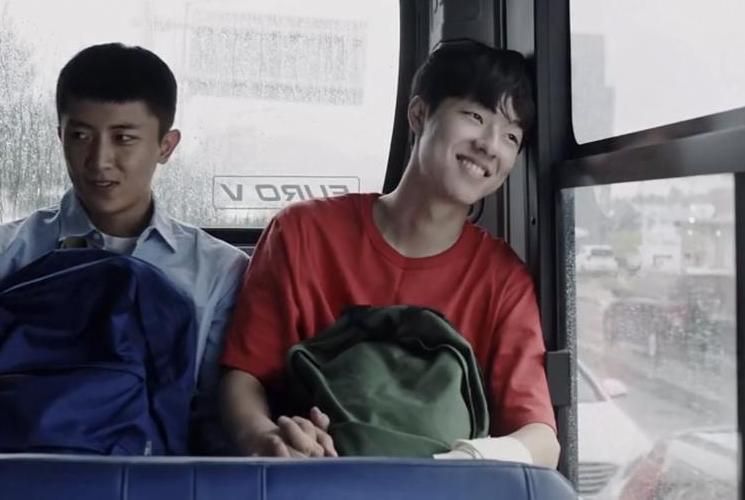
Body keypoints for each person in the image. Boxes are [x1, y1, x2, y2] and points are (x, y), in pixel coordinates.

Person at [218, 40, 560, 467]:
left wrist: (455, 467)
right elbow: (243, 376)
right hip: (309, 479)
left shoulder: (503, 279)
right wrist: (266, 438)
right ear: (418, 114)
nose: (491, 145)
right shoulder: (302, 232)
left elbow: (542, 441)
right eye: (475, 116)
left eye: (511, 136)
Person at [0, 43, 247, 454]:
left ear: (165, 146)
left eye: (123, 139)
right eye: (80, 136)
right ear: (60, 135)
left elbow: (216, 419)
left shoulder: (218, 271)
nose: (99, 161)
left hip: (154, 479)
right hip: (8, 472)